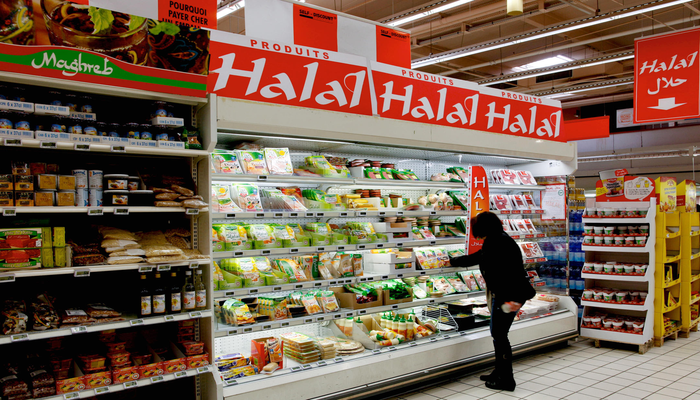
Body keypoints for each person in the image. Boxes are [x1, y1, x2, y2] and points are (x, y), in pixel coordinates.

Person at [450, 211, 536, 392]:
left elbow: (481, 258)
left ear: (484, 228)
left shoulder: (496, 242)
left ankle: (506, 379)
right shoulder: (499, 238)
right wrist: (454, 261)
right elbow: (479, 256)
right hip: (514, 296)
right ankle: (499, 372)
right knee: (498, 333)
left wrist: (453, 261)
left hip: (509, 298)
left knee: (499, 334)